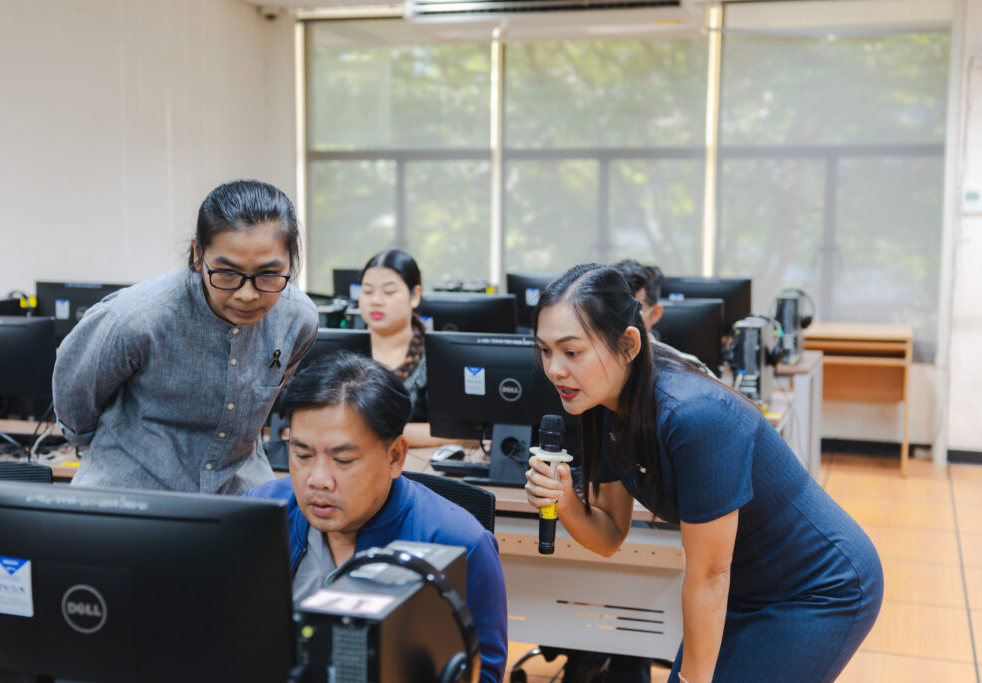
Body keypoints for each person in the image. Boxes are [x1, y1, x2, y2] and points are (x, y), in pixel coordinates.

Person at [525, 264, 882, 683]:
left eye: (571, 352)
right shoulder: (603, 406)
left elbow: (710, 576)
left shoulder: (695, 416)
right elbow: (609, 536)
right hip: (740, 586)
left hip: (819, 588)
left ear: (628, 345)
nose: (554, 370)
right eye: (545, 350)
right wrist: (565, 503)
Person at [245, 351, 508, 682]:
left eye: (343, 460)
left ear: (395, 456)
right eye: (302, 455)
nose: (318, 479)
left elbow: (483, 674)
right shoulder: (263, 516)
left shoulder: (459, 544)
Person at [53, 179, 318, 493]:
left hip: (237, 491)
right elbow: (74, 399)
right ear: (197, 253)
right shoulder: (135, 318)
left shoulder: (297, 319)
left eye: (268, 274)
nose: (247, 294)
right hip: (131, 492)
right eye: (228, 273)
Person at [358, 249, 452, 448]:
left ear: (415, 296)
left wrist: (369, 429)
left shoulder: (437, 356)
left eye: (389, 291)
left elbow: (450, 432)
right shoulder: (344, 353)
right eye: (367, 291)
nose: (375, 300)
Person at [613, 259, 715, 380]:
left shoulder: (688, 368)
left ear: (655, 314)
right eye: (613, 310)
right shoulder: (594, 364)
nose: (622, 321)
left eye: (634, 312)